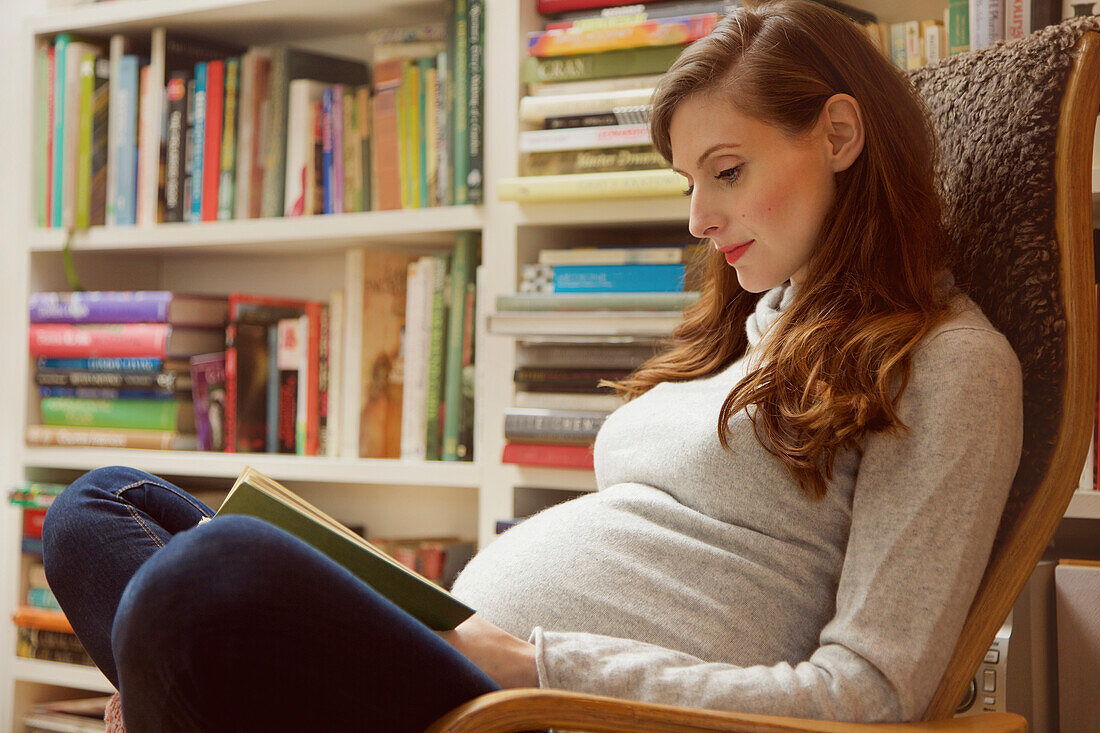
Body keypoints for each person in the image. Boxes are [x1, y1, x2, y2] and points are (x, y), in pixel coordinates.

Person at [42, 0, 1023, 729]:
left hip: (533, 705)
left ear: (839, 135)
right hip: (464, 661)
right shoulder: (758, 326)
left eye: (726, 169)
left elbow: (868, 693)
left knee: (213, 570)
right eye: (689, 182)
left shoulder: (949, 363)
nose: (695, 217)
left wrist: (527, 658)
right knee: (101, 505)